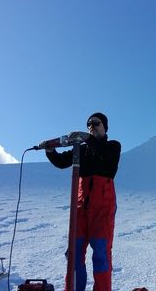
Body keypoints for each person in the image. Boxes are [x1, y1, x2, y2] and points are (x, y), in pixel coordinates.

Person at [45, 112, 121, 291]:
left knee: (101, 254)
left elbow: (103, 154)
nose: (91, 127)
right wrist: (50, 150)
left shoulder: (113, 146)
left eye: (96, 123)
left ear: (105, 127)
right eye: (89, 125)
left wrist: (87, 138)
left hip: (102, 208)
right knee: (74, 253)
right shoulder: (83, 149)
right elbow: (62, 161)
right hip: (81, 208)